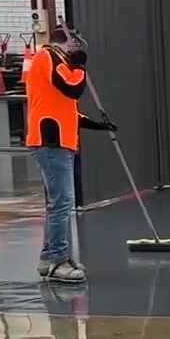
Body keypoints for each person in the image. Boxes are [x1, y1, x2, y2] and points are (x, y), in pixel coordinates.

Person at [22, 25, 117, 285]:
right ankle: (57, 260)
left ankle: (49, 257)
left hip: (60, 140)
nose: (77, 48)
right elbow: (71, 87)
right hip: (50, 141)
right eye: (75, 43)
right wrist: (81, 68)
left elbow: (66, 108)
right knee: (62, 203)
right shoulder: (48, 57)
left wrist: (96, 125)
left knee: (58, 203)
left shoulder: (58, 62)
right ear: (66, 42)